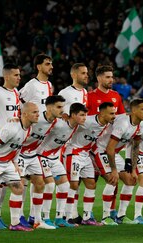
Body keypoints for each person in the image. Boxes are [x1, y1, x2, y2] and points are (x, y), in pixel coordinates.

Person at [0, 102, 39, 234]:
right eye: (34, 112)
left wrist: (16, 163)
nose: (38, 115)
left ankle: (15, 223)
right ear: (24, 114)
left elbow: (17, 147)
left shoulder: (28, 128)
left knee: (18, 189)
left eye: (37, 112)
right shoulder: (12, 128)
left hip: (8, 162)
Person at [91, 98, 143, 225]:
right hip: (100, 150)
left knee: (131, 180)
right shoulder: (123, 123)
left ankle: (121, 216)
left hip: (113, 153)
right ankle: (106, 217)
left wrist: (133, 170)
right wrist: (114, 170)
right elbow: (109, 148)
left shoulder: (140, 125)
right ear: (133, 110)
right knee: (113, 179)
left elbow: (135, 147)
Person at [63, 102, 116, 226]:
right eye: (111, 113)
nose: (114, 116)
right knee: (73, 185)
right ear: (102, 113)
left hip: (86, 155)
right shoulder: (87, 121)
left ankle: (87, 217)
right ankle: (68, 217)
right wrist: (65, 116)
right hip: (74, 152)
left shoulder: (107, 124)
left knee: (91, 184)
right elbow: (69, 121)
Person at [36, 103, 88, 227]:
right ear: (73, 115)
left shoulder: (76, 126)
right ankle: (45, 218)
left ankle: (60, 218)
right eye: (82, 115)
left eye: (85, 115)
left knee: (65, 186)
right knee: (49, 186)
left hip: (54, 158)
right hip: (41, 155)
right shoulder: (59, 123)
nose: (85, 118)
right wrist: (17, 119)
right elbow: (43, 122)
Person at [18, 95, 66, 230]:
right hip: (20, 153)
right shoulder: (36, 118)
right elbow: (21, 121)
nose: (62, 110)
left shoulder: (56, 122)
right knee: (19, 186)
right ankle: (18, 217)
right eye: (58, 107)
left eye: (63, 107)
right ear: (49, 107)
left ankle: (36, 219)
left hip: (33, 155)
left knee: (40, 184)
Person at [86, 65, 125, 219]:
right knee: (91, 180)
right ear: (99, 78)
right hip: (91, 145)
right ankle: (83, 214)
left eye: (112, 77)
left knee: (112, 179)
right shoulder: (89, 96)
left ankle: (111, 211)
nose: (111, 80)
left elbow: (121, 118)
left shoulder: (116, 96)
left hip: (108, 144)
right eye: (107, 77)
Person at [0, 63, 21, 229]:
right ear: (6, 76)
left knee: (6, 185)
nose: (19, 78)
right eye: (16, 75)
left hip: (11, 146)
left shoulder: (17, 93)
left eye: (19, 75)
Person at [57, 62, 89, 223]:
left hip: (76, 142)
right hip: (64, 143)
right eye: (83, 73)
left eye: (87, 73)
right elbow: (58, 111)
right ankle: (64, 215)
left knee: (75, 182)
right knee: (67, 181)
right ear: (74, 75)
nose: (86, 75)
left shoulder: (85, 92)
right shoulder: (65, 93)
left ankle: (72, 214)